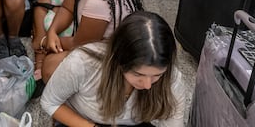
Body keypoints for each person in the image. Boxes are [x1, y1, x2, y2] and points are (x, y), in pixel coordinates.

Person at [41, 12, 185, 127]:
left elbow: (172, 121)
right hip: (81, 120)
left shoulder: (171, 77)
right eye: (137, 74)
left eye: (157, 75)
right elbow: (49, 102)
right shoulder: (82, 63)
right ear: (119, 58)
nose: (147, 85)